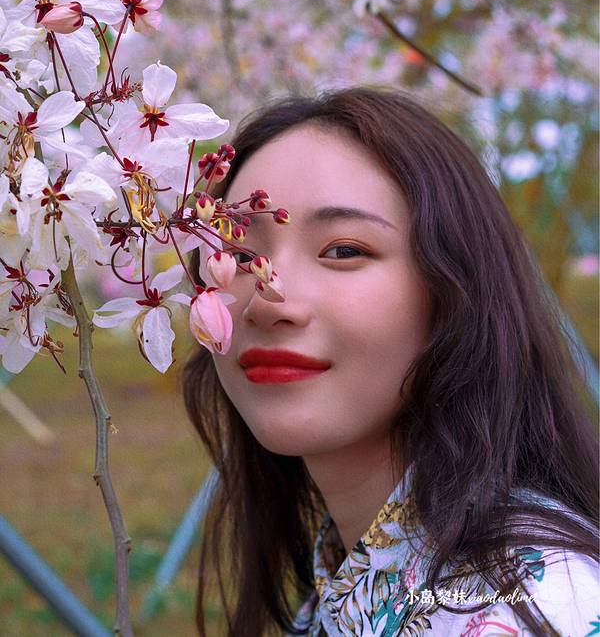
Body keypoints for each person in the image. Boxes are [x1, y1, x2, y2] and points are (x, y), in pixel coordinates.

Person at [182, 87, 599, 637]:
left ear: (456, 291)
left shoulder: (526, 608)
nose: (268, 301)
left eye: (344, 250)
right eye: (237, 253)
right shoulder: (346, 576)